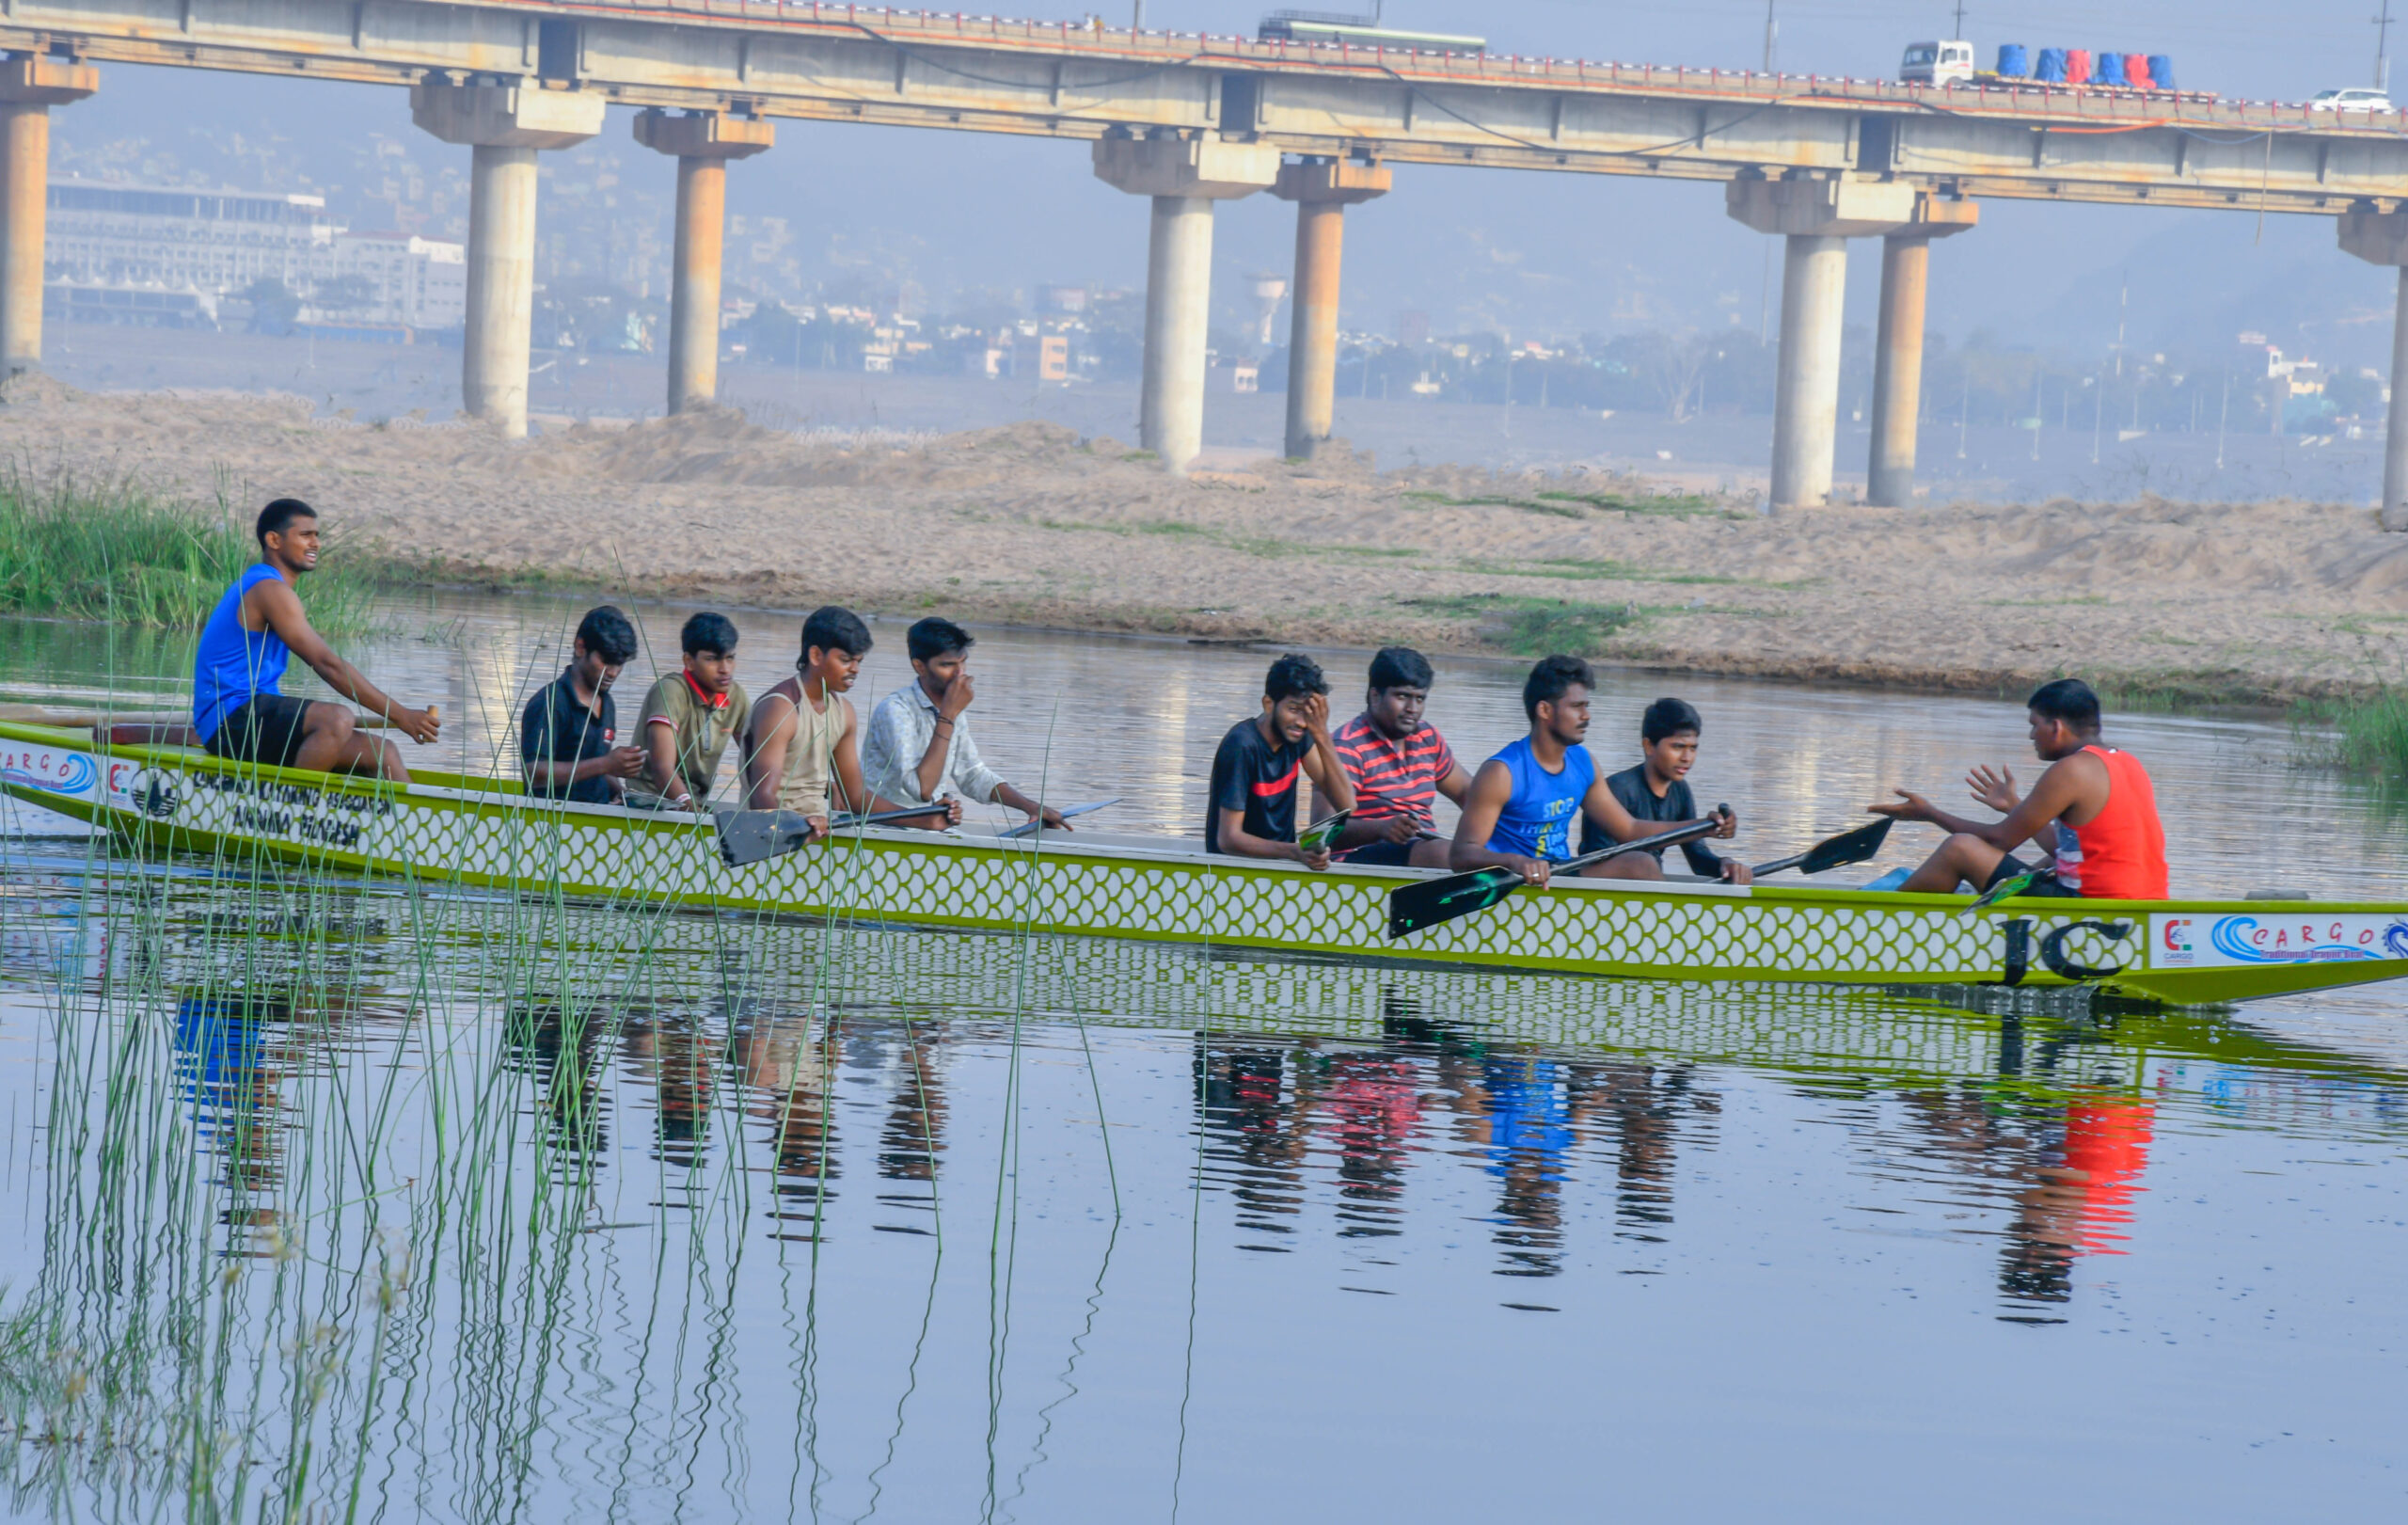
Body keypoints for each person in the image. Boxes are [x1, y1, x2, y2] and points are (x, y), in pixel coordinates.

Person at [190, 498, 440, 781]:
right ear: (273, 540)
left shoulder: (271, 586)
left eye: (317, 535)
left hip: (253, 716)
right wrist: (401, 714)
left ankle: (399, 823)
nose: (316, 543)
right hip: (228, 723)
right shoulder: (268, 590)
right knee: (336, 719)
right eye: (305, 535)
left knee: (384, 753)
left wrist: (399, 715)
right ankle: (287, 811)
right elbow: (326, 664)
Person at [1449, 655, 1735, 887]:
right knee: (1641, 864)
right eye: (1577, 707)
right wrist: (1515, 862)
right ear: (1545, 711)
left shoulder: (1583, 763)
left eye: (1587, 706)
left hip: (1559, 872)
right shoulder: (1501, 772)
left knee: (1639, 862)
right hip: (1512, 878)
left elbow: (1630, 829)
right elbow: (1461, 854)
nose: (1586, 716)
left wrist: (1706, 826)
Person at [1871, 676, 2168, 899]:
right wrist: (2016, 807)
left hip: (2091, 904)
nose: (2030, 735)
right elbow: (2067, 850)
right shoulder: (2129, 763)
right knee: (2048, 863)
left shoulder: (2071, 769)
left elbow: (1999, 841)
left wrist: (1929, 813)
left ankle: (1882, 927)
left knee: (1959, 848)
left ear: (2056, 727)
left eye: (2034, 725)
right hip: (2142, 906)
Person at [742, 606, 960, 838]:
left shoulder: (844, 712)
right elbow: (761, 796)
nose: (855, 670)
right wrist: (797, 825)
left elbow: (855, 797)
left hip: (815, 833)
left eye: (858, 661)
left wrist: (925, 818)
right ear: (815, 656)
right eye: (846, 660)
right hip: (768, 837)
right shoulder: (780, 708)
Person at [861, 616, 1070, 833]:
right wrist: (948, 715)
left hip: (929, 828)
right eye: (947, 665)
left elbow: (972, 774)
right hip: (878, 829)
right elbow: (921, 790)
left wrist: (1030, 806)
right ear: (919, 667)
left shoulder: (952, 709)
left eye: (963, 662)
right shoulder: (895, 710)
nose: (960, 673)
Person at [1204, 652, 1354, 869]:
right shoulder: (1242, 745)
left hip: (1280, 865)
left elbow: (1346, 804)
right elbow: (1228, 839)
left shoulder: (1299, 737)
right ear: (1268, 704)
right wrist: (1294, 851)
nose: (1302, 723)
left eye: (1308, 713)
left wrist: (1321, 733)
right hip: (1234, 870)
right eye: (1293, 709)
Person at [1581, 697, 1753, 885]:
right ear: (1649, 746)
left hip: (1647, 884)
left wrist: (1724, 865)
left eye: (1693, 748)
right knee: (1642, 863)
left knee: (1646, 864)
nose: (1687, 758)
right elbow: (1596, 859)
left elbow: (1697, 858)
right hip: (1599, 884)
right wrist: (1702, 827)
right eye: (1678, 747)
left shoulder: (1681, 791)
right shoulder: (1617, 789)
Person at [1327, 645, 1471, 868]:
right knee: (1448, 854)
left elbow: (1468, 794)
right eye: (1402, 696)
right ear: (1375, 696)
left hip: (1423, 849)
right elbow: (1321, 833)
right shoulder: (1347, 746)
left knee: (1489, 851)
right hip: (1357, 861)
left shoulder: (1428, 737)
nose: (1412, 708)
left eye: (1420, 699)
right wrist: (1381, 828)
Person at [520, 605, 648, 805]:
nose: (613, 672)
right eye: (606, 661)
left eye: (619, 664)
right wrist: (606, 764)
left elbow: (597, 766)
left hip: (599, 813)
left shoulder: (607, 703)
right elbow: (534, 774)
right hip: (555, 817)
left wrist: (623, 793)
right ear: (581, 648)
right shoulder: (549, 703)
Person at [629, 612, 752, 812]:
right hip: (649, 802)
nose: (725, 669)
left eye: (730, 658)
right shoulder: (670, 690)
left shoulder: (736, 696)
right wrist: (693, 811)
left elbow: (755, 757)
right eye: (712, 659)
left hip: (693, 805)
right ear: (689, 661)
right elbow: (663, 769)